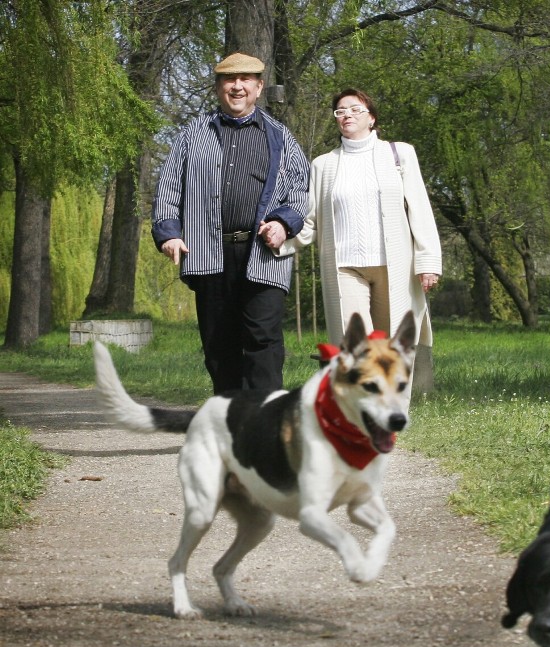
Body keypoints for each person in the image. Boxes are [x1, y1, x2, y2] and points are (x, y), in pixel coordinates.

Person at [152, 52, 309, 394]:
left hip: (263, 255)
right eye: (229, 80)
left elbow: (299, 192)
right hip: (208, 251)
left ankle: (264, 422)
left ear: (259, 86)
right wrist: (168, 234)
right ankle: (232, 419)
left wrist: (283, 223)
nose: (237, 87)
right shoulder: (192, 134)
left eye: (245, 80)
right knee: (218, 343)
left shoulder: (281, 137)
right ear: (218, 86)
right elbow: (168, 188)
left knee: (263, 339)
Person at [279, 88, 441, 382]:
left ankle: (391, 411)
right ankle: (360, 415)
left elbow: (419, 207)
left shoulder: (398, 153)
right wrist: (280, 239)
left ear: (372, 118)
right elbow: (311, 220)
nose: (346, 115)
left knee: (393, 347)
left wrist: (428, 260)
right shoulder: (323, 164)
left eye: (354, 109)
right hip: (344, 267)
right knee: (356, 346)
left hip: (394, 268)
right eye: (340, 111)